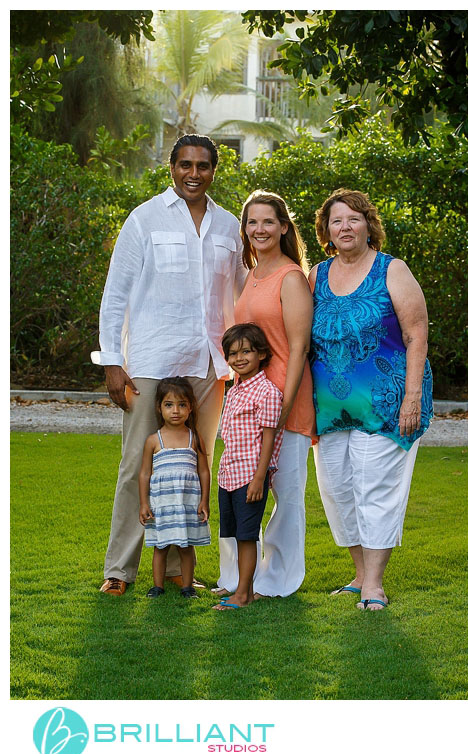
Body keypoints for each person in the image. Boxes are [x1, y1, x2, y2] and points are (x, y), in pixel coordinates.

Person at [92, 134, 243, 596]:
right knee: (138, 463)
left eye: (202, 165)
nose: (193, 173)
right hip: (151, 361)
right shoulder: (144, 219)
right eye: (184, 165)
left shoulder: (229, 227)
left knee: (194, 462)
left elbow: (240, 294)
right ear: (171, 167)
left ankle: (180, 569)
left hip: (207, 364)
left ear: (215, 170)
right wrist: (113, 363)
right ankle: (119, 569)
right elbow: (116, 295)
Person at [309, 189, 433, 610]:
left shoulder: (391, 269)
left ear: (368, 225)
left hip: (388, 403)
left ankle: (374, 584)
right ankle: (359, 572)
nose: (344, 227)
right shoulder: (316, 275)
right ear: (326, 231)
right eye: (336, 221)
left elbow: (417, 333)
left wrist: (412, 397)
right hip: (329, 408)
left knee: (375, 488)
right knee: (338, 490)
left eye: (353, 219)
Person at [214, 191, 315, 599]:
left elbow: (298, 347)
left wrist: (285, 406)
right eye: (252, 222)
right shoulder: (251, 275)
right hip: (245, 402)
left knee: (285, 495)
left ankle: (280, 581)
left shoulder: (290, 278)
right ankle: (238, 581)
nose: (259, 229)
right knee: (238, 490)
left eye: (268, 222)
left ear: (284, 227)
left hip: (282, 401)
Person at [214, 324, 283, 611]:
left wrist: (259, 478)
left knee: (246, 536)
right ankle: (246, 589)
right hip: (228, 474)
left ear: (262, 354)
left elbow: (270, 440)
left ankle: (242, 594)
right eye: (232, 353)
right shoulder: (235, 390)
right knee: (234, 534)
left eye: (246, 351)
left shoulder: (267, 392)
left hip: (249, 477)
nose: (239, 358)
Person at [138, 378, 211, 598]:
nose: (175, 411)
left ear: (190, 407)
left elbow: (204, 471)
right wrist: (144, 504)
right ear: (159, 408)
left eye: (181, 405)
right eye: (169, 405)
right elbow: (144, 473)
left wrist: (204, 501)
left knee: (186, 546)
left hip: (186, 504)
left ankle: (187, 587)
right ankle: (157, 586)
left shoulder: (194, 438)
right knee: (160, 547)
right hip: (162, 504)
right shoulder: (153, 440)